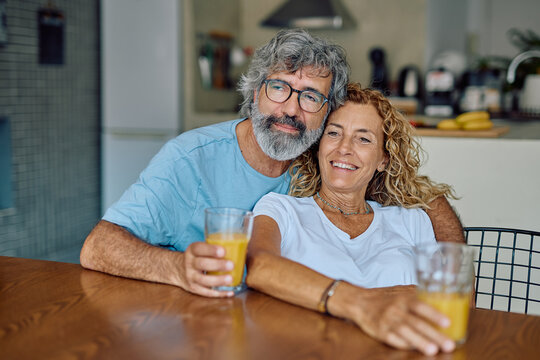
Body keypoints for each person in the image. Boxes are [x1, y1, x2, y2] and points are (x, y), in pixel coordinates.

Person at [80, 29, 463, 299]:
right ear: (255, 90)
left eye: (311, 96)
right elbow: (99, 247)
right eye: (279, 87)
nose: (291, 109)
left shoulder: (321, 160)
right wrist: (176, 269)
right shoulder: (190, 160)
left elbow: (418, 196)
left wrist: (453, 286)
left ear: (326, 112)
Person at [246, 84, 461, 356]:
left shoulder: (412, 220)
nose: (345, 148)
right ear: (318, 145)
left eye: (363, 139)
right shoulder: (281, 209)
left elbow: (445, 302)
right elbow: (260, 267)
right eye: (334, 133)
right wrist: (370, 300)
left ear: (383, 159)